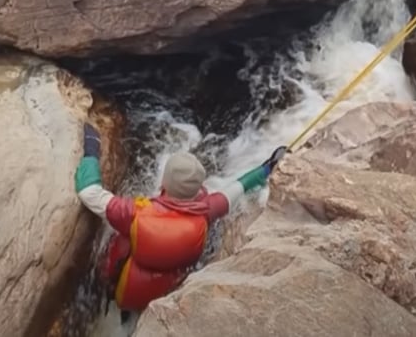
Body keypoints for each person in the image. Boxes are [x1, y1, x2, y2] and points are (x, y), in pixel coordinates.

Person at [74, 123, 286, 318]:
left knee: (122, 246)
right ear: (198, 189)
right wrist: (267, 168)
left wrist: (92, 148)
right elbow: (239, 188)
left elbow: (89, 192)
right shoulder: (207, 212)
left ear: (165, 183)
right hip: (163, 294)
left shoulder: (135, 215)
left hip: (123, 292)